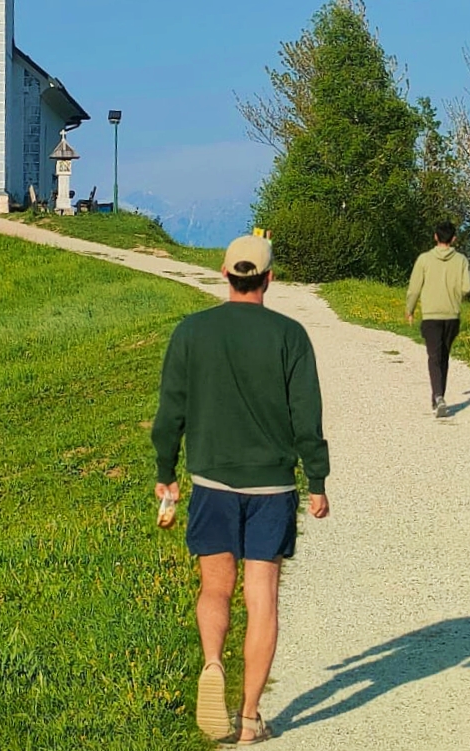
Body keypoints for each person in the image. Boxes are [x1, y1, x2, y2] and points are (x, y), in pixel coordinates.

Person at [152, 234, 330, 744]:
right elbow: (307, 418)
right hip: (272, 487)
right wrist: (316, 480)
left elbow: (171, 412)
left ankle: (213, 662)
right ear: (270, 279)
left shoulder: (192, 332)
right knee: (263, 598)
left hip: (211, 481)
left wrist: (166, 470)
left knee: (215, 588)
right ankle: (250, 717)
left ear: (225, 275)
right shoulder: (290, 336)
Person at [405, 221, 470, 417]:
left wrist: (410, 309)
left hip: (431, 316)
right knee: (444, 356)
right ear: (453, 239)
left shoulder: (424, 259)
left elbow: (414, 288)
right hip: (452, 315)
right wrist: (455, 294)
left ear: (435, 236)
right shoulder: (461, 260)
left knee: (434, 357)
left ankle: (437, 396)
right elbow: (467, 286)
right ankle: (438, 397)